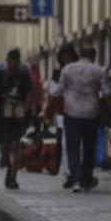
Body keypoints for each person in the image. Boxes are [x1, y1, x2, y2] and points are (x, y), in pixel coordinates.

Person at [53, 44, 111, 192]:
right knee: (88, 147)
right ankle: (86, 179)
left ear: (80, 54)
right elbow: (107, 93)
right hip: (91, 113)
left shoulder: (67, 69)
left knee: (72, 146)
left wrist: (47, 111)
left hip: (71, 112)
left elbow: (57, 92)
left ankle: (76, 180)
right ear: (93, 56)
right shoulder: (98, 70)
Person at [0, 48, 33, 190]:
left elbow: (29, 95)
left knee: (16, 147)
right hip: (3, 117)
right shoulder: (0, 76)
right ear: (7, 61)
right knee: (5, 147)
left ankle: (13, 176)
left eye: (14, 63)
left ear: (18, 62)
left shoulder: (23, 76)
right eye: (9, 62)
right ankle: (8, 167)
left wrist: (27, 112)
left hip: (18, 117)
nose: (11, 66)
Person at [43, 45, 79, 188]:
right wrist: (48, 111)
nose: (66, 60)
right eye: (64, 57)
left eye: (69, 56)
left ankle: (78, 172)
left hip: (78, 112)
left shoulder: (79, 70)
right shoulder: (58, 73)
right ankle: (68, 174)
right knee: (66, 145)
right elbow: (53, 92)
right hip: (63, 113)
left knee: (76, 145)